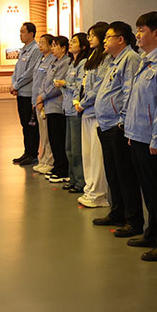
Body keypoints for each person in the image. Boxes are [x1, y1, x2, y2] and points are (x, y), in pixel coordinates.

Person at [122, 12, 157, 252]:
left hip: (152, 139)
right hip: (138, 134)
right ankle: (152, 233)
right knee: (148, 189)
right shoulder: (146, 59)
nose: (137, 35)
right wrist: (130, 131)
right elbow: (137, 100)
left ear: (156, 33)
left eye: (142, 30)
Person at [92, 21, 142, 229]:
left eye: (108, 37)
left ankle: (132, 219)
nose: (104, 40)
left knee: (125, 175)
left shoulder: (130, 59)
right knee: (112, 174)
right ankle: (117, 212)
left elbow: (129, 92)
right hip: (106, 124)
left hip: (117, 126)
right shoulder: (114, 60)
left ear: (120, 39)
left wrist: (123, 120)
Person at [76, 23, 111, 207]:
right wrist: (79, 101)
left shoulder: (106, 59)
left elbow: (99, 87)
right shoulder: (93, 56)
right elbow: (84, 83)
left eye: (92, 35)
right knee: (88, 155)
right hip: (86, 112)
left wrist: (83, 103)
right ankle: (90, 189)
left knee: (97, 157)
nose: (89, 38)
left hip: (96, 112)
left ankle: (98, 194)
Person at [57, 33, 91, 194]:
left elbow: (79, 88)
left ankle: (80, 181)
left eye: (74, 41)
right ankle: (73, 179)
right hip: (67, 108)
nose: (70, 43)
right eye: (70, 41)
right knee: (69, 148)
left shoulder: (83, 63)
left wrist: (65, 84)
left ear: (83, 46)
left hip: (76, 110)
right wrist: (62, 85)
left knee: (76, 150)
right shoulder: (72, 63)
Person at [36, 35, 71, 182]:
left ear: (63, 48)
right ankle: (57, 166)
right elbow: (45, 81)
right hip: (48, 105)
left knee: (59, 139)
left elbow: (56, 85)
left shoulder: (66, 62)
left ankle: (63, 169)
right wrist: (41, 96)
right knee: (53, 138)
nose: (53, 48)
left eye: (56, 46)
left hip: (57, 105)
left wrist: (43, 96)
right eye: (53, 45)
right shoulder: (54, 62)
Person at [9, 23, 42, 167]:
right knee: (24, 124)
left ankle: (33, 154)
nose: (20, 34)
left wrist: (16, 85)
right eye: (20, 31)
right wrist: (14, 84)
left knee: (31, 125)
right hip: (21, 93)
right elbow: (17, 70)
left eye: (23, 32)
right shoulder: (23, 50)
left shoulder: (35, 50)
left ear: (31, 34)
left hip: (29, 94)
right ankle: (27, 151)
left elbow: (30, 73)